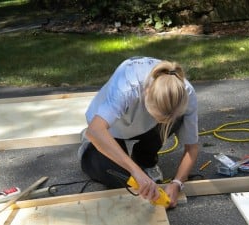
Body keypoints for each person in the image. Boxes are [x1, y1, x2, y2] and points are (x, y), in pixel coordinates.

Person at [78, 56, 198, 208]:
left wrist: (178, 183)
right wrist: (135, 172)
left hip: (144, 126)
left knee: (176, 120)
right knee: (115, 176)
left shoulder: (184, 93)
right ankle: (88, 148)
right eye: (158, 116)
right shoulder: (128, 87)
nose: (163, 123)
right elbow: (95, 130)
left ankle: (145, 160)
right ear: (146, 94)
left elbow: (192, 148)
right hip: (109, 127)